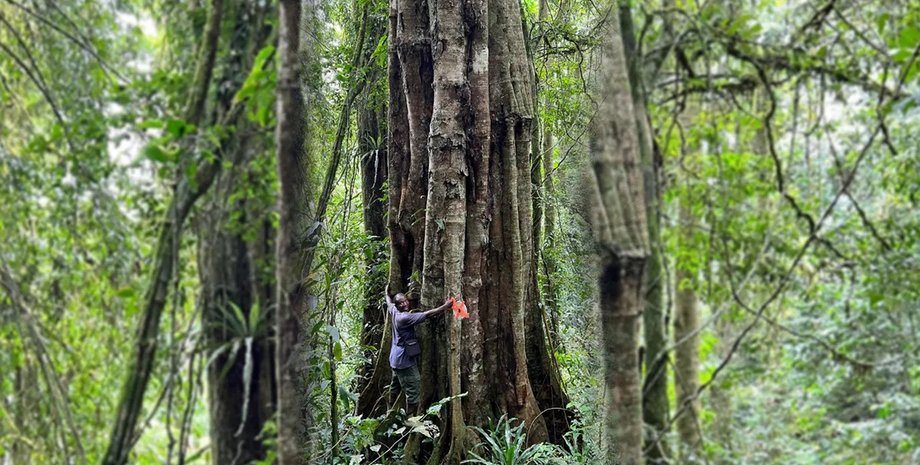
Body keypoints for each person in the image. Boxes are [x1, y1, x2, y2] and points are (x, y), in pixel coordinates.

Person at [385, 284, 451, 415]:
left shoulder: (393, 310)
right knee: (414, 387)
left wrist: (386, 293)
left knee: (395, 385)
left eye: (405, 301)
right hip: (404, 361)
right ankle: (410, 419)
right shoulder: (404, 318)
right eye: (401, 303)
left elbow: (388, 302)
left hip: (395, 359)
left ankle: (390, 410)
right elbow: (427, 314)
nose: (405, 305)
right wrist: (445, 306)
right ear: (397, 305)